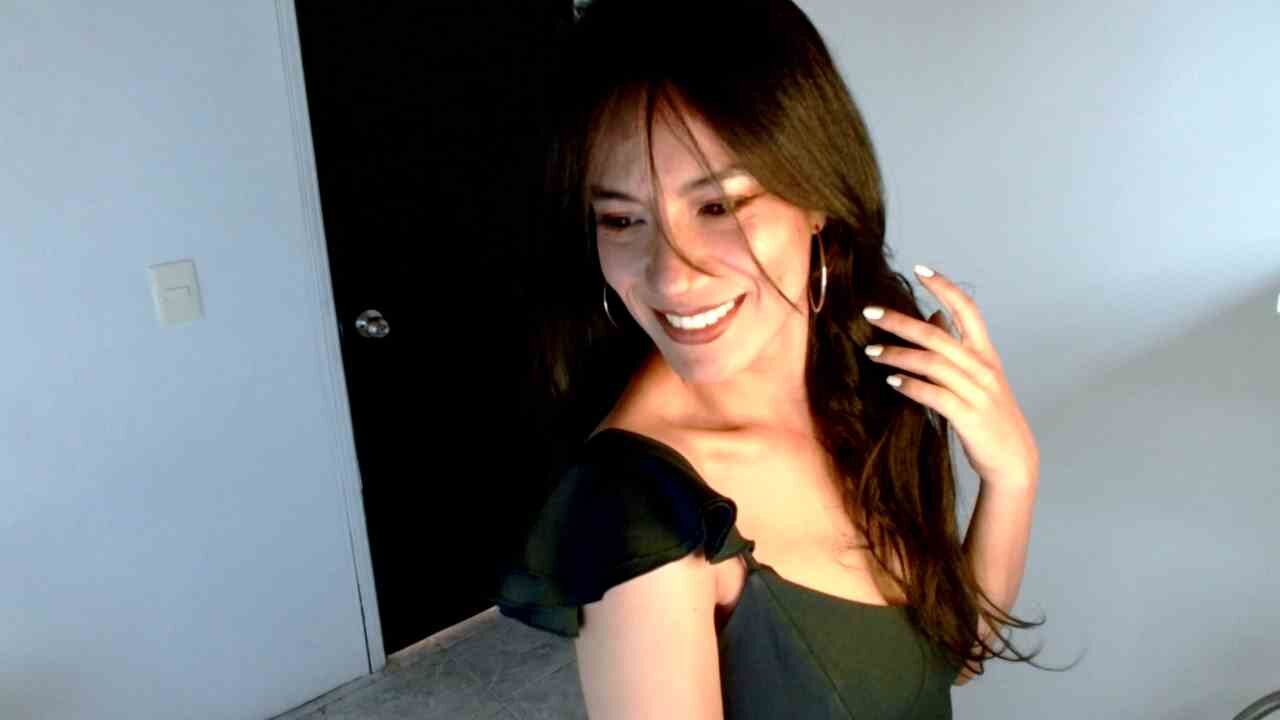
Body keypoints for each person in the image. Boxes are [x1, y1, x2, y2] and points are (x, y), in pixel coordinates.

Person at [492, 0, 1069, 717]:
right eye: (621, 219)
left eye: (718, 207)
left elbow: (955, 655)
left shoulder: (869, 380)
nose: (671, 277)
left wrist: (1012, 474)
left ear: (818, 195)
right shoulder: (644, 520)